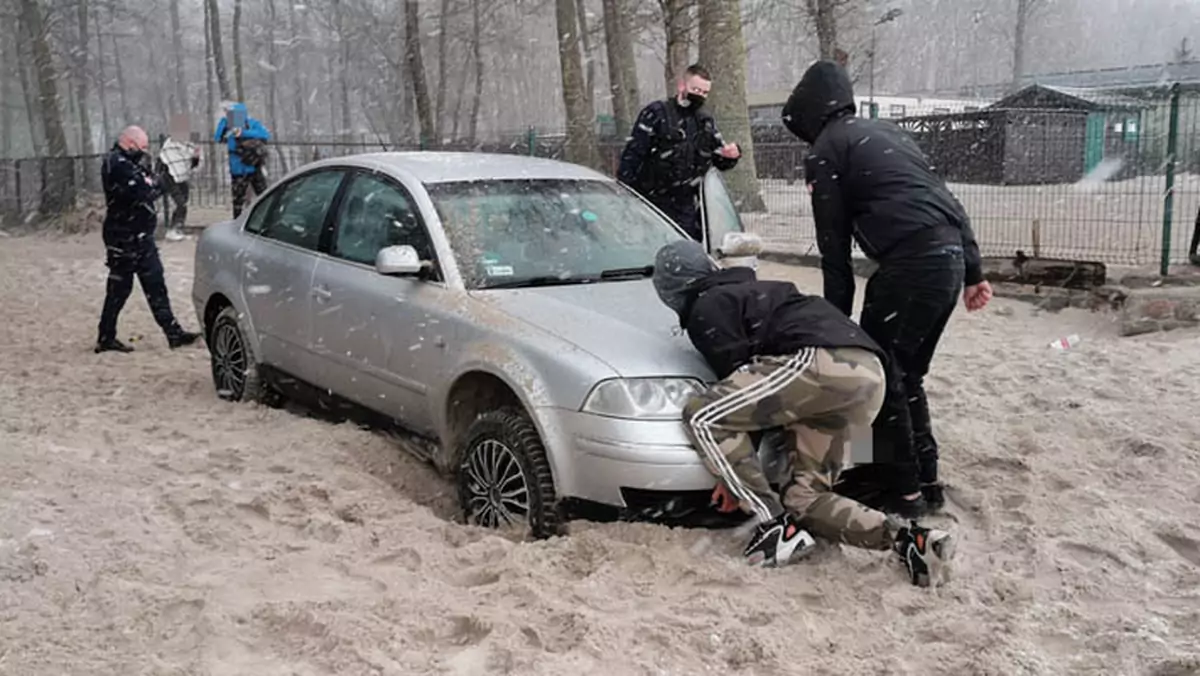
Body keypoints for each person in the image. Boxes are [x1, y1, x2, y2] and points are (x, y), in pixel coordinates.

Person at [652, 240, 956, 587]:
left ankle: (774, 527)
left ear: (670, 289)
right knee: (804, 498)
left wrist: (730, 478)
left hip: (822, 362)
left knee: (702, 415)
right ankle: (911, 542)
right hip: (870, 376)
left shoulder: (708, 305)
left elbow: (736, 396)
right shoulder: (753, 288)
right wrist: (908, 486)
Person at [782, 60, 994, 518]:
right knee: (905, 372)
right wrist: (974, 272)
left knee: (877, 374)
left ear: (809, 115)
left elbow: (833, 251)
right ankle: (925, 477)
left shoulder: (826, 151)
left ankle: (901, 490)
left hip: (911, 264)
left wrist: (834, 326)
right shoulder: (889, 134)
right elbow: (950, 204)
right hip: (948, 259)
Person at [96, 126, 201, 354]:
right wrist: (161, 183)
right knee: (119, 288)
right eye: (141, 147)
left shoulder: (132, 163)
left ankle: (173, 333)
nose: (144, 152)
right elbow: (145, 191)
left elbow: (150, 183)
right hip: (122, 236)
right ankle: (105, 336)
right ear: (129, 143)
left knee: (155, 284)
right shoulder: (117, 164)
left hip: (140, 235)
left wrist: (163, 178)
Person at [617, 63, 741, 241]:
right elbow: (632, 155)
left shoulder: (705, 121)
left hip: (686, 207)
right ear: (682, 86)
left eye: (705, 93)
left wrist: (731, 156)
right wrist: (626, 195)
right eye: (696, 89)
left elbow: (718, 159)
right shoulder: (656, 113)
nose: (700, 95)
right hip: (650, 201)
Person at [214, 102, 271, 218]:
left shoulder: (251, 124)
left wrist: (243, 133)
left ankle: (258, 218)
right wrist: (224, 122)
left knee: (260, 196)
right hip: (242, 167)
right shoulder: (228, 126)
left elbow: (265, 134)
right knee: (245, 198)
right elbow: (218, 137)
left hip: (251, 166)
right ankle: (243, 219)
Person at [155, 129, 202, 241]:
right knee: (180, 203)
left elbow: (192, 164)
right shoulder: (170, 144)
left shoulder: (189, 146)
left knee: (183, 202)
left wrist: (195, 156)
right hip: (168, 175)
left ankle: (176, 228)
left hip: (181, 176)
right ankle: (173, 229)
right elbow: (164, 159)